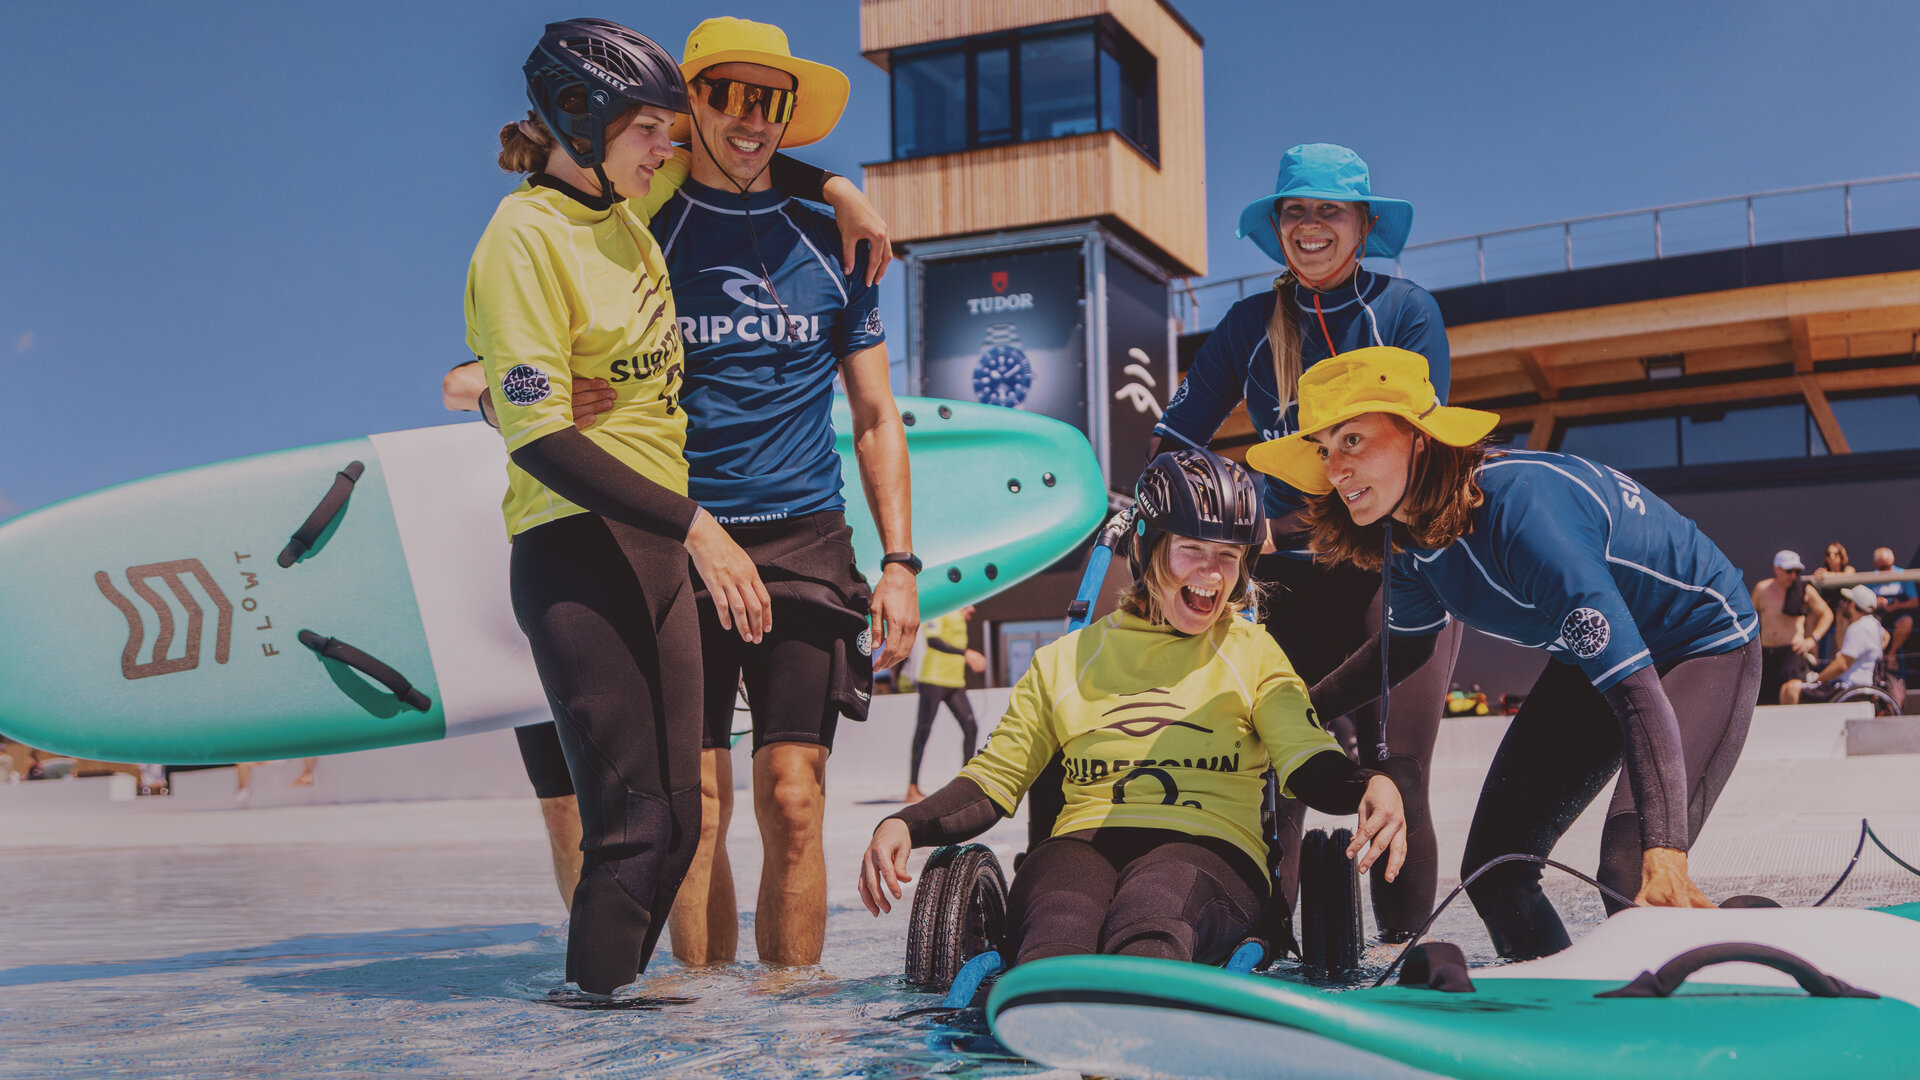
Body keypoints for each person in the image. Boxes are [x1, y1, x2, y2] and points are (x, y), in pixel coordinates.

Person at [443, 19, 898, 931]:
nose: (749, 117)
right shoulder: (642, 208)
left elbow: (879, 418)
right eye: (725, 94)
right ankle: (700, 1031)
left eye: (769, 100)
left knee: (795, 799)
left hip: (805, 530)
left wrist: (902, 562)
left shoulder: (834, 245)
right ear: (686, 106)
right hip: (673, 530)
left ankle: (791, 1039)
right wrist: (498, 398)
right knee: (695, 804)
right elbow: (490, 364)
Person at [1249, 346, 1761, 961]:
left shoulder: (1525, 511)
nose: (1334, 467)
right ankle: (1560, 1019)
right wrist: (1295, 710)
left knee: (1634, 878)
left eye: (1353, 440)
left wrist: (1667, 851)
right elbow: (1406, 646)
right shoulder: (1410, 537)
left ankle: (1723, 988)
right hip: (1592, 661)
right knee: (1495, 870)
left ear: (1417, 438)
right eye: (1323, 449)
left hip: (1700, 645)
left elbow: (1635, 689)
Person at [858, 450, 1408, 968]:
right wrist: (905, 823)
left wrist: (1367, 784)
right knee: (1055, 933)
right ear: (1147, 548)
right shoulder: (1065, 660)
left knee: (1154, 913)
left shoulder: (1252, 652)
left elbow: (1306, 757)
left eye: (1229, 557)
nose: (1213, 576)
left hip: (1211, 851)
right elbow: (993, 780)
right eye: (1191, 549)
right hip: (1083, 844)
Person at [465, 18, 740, 996]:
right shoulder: (523, 238)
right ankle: (590, 1027)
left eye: (668, 135)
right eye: (650, 132)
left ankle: (606, 1004)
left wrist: (838, 190)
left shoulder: (625, 208)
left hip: (655, 545)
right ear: (581, 118)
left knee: (682, 820)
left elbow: (740, 165)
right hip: (576, 543)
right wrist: (697, 525)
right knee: (628, 827)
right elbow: (537, 436)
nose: (667, 151)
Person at [1148, 143, 1461, 942]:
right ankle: (1272, 969)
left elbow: (1409, 458)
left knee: (1400, 774)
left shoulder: (1406, 312)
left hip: (1397, 575)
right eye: (1295, 211)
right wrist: (1191, 510)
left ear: (1362, 224)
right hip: (1289, 583)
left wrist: (1271, 501)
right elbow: (1174, 440)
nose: (1310, 225)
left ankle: (1403, 963)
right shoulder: (1250, 326)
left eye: (1328, 210)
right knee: (1273, 774)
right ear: (1277, 227)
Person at [906, 605, 984, 803]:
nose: (972, 609)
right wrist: (966, 653)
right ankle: (912, 788)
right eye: (969, 605)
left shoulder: (960, 618)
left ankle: (965, 784)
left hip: (955, 682)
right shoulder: (941, 609)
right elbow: (934, 641)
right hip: (933, 679)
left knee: (971, 727)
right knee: (923, 730)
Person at [1751, 550, 1831, 705]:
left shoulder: (1804, 590)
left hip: (1792, 653)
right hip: (1767, 654)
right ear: (1777, 569)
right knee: (1763, 700)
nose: (1793, 576)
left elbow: (1826, 614)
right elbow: (1748, 616)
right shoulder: (1762, 589)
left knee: (1789, 694)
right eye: (1789, 571)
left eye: (1796, 571)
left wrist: (1812, 639)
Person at [1782, 585, 1884, 705]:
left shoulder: (1858, 627)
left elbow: (1842, 666)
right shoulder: (1875, 625)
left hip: (1848, 687)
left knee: (1790, 689)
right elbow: (1885, 639)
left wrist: (1819, 679)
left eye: (1846, 600)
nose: (1842, 604)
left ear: (1852, 605)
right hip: (1861, 685)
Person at [1867, 547, 1916, 671]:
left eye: (1889, 566)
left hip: (1897, 615)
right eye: (1883, 567)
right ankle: (1877, 662)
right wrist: (1874, 603)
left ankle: (1891, 655)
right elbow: (1861, 605)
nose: (1887, 571)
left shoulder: (1902, 576)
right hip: (1878, 617)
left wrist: (1897, 606)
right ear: (1875, 565)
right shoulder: (1869, 578)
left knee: (1906, 622)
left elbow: (1915, 601)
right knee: (1874, 631)